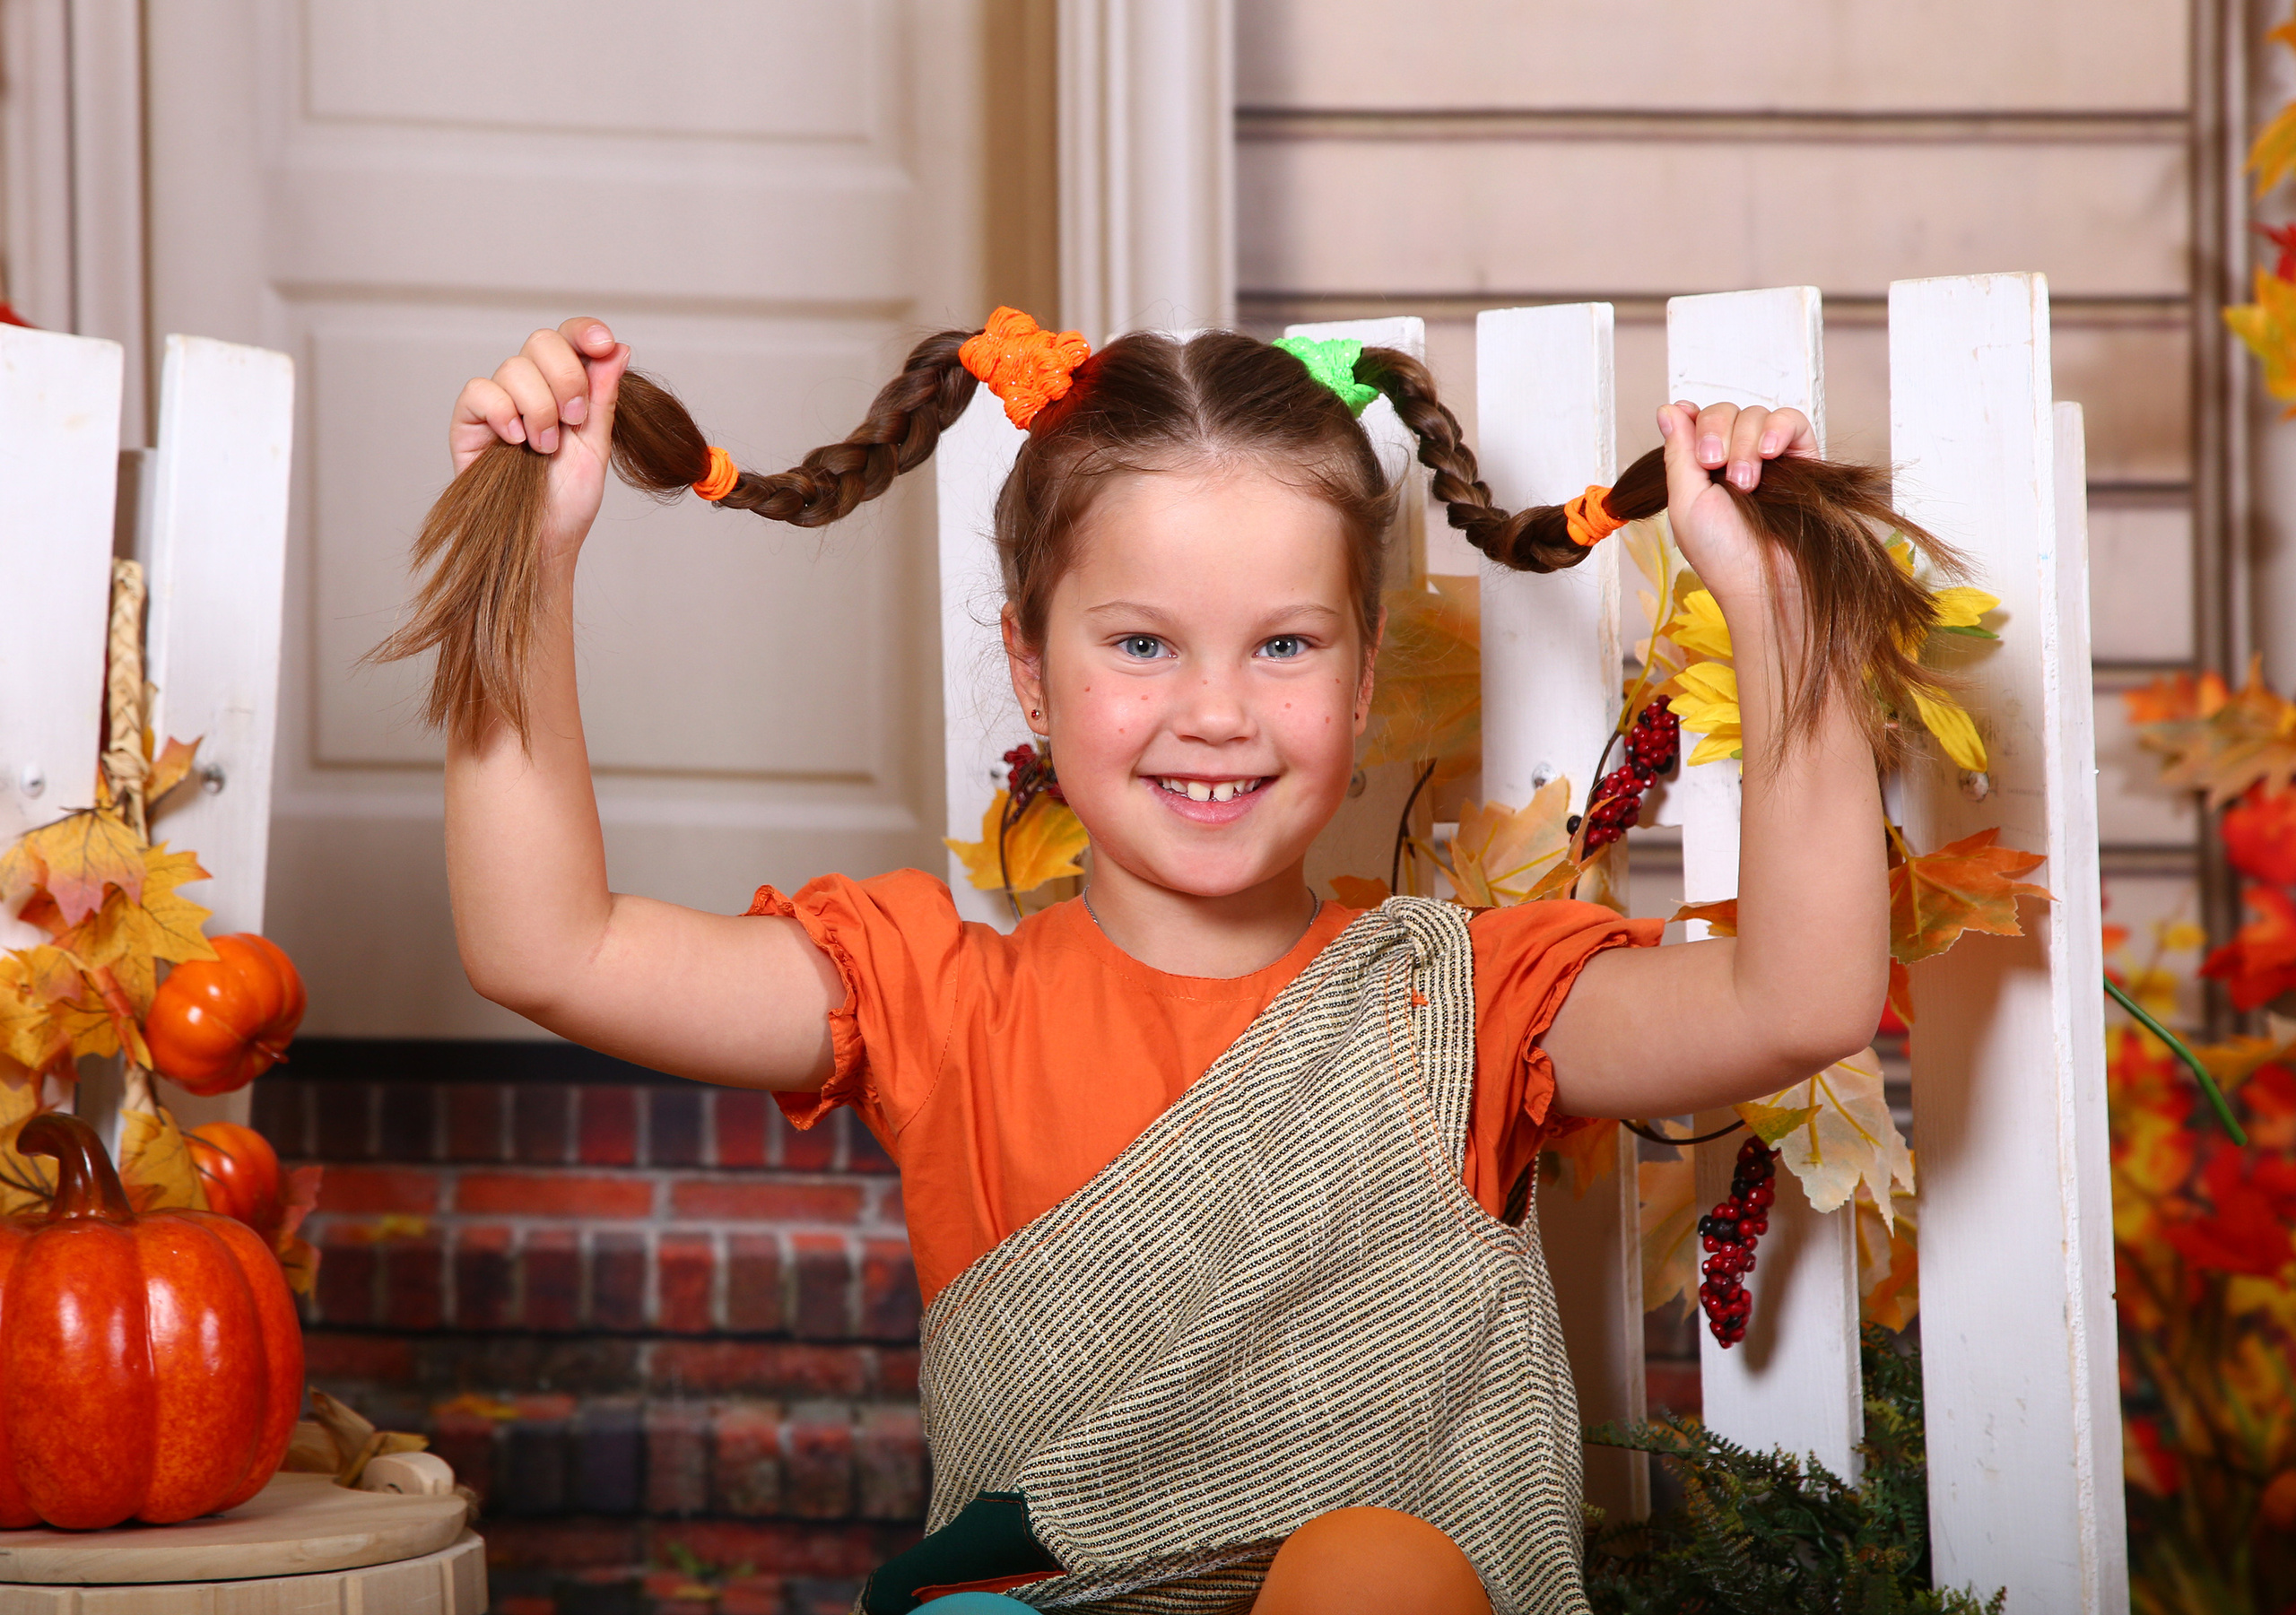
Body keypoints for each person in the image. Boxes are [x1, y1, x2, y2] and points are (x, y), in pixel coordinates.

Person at [418, 310, 1914, 1615]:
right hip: (1042, 1596)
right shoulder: (934, 1000)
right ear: (1029, 664)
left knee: (1371, 1571)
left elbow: (1802, 996)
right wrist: (531, 560)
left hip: (1377, 1595)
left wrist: (1780, 612)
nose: (1216, 712)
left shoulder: (1462, 1001)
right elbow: (548, 946)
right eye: (1141, 645)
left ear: (1365, 669)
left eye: (1283, 646)